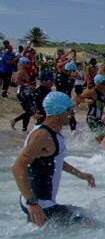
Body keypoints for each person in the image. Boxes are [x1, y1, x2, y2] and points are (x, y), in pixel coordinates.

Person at [11, 91, 96, 226]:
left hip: (39, 201)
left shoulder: (51, 133)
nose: (72, 113)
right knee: (91, 225)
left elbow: (56, 161)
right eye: (69, 110)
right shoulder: (42, 135)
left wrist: (81, 175)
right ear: (58, 112)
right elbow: (17, 167)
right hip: (40, 204)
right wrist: (32, 203)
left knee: (85, 216)